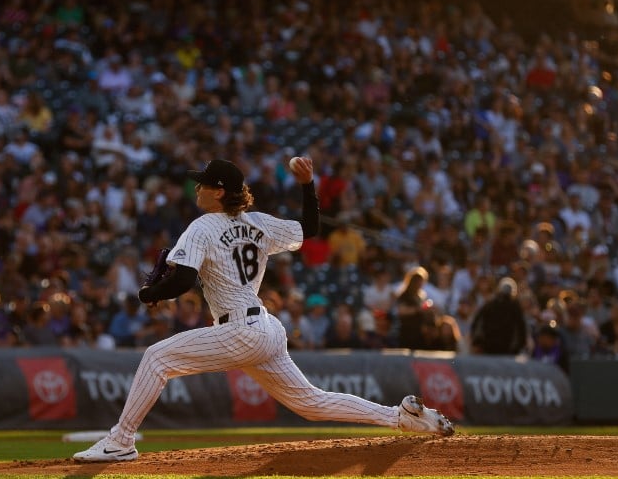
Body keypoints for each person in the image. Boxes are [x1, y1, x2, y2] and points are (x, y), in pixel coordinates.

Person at [73, 157, 454, 463]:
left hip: (240, 329)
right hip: (266, 329)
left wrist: (147, 294)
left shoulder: (202, 226)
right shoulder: (259, 224)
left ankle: (121, 441)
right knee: (310, 402)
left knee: (156, 358)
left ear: (219, 192)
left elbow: (183, 281)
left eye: (203, 183)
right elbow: (310, 226)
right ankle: (401, 417)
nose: (197, 188)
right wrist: (307, 185)